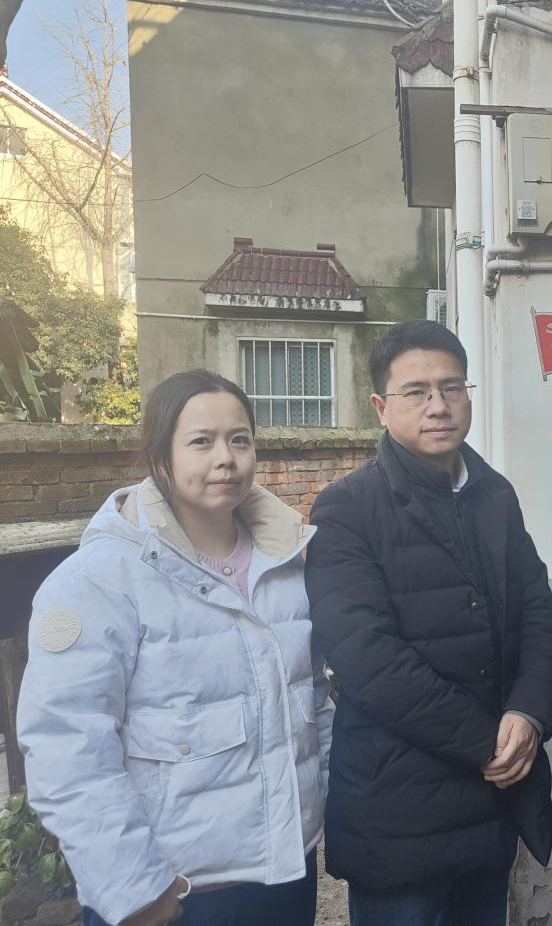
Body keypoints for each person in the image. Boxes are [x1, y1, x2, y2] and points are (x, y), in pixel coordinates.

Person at [18, 370, 331, 926]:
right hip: (175, 893)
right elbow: (66, 743)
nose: (226, 458)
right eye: (201, 441)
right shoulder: (100, 579)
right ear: (160, 458)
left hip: (285, 875)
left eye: (240, 439)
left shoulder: (285, 564)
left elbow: (314, 704)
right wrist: (133, 888)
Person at [305, 320, 552, 926]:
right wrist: (484, 742)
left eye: (451, 387)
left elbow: (536, 608)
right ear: (380, 407)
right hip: (398, 807)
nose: (438, 406)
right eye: (416, 392)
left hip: (492, 799)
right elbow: (366, 658)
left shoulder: (494, 495)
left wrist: (528, 712)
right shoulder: (346, 509)